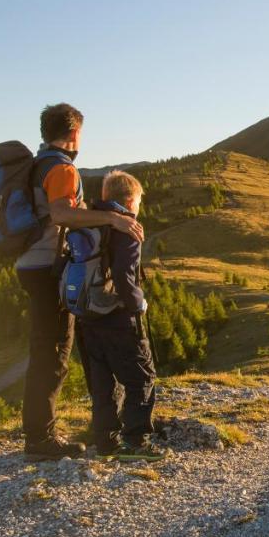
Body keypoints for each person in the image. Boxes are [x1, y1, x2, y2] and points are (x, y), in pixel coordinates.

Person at [16, 103, 144, 461]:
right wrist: (113, 220)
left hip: (30, 263)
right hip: (47, 267)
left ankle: (39, 434)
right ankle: (40, 440)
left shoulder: (39, 163)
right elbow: (61, 214)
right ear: (74, 133)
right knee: (53, 352)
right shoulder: (61, 167)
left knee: (47, 348)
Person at [79, 170, 162, 460]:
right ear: (129, 200)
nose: (138, 207)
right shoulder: (126, 227)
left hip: (88, 316)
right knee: (141, 377)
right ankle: (136, 442)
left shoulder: (86, 221)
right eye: (138, 201)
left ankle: (105, 442)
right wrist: (138, 304)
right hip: (117, 316)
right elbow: (126, 278)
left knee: (103, 383)